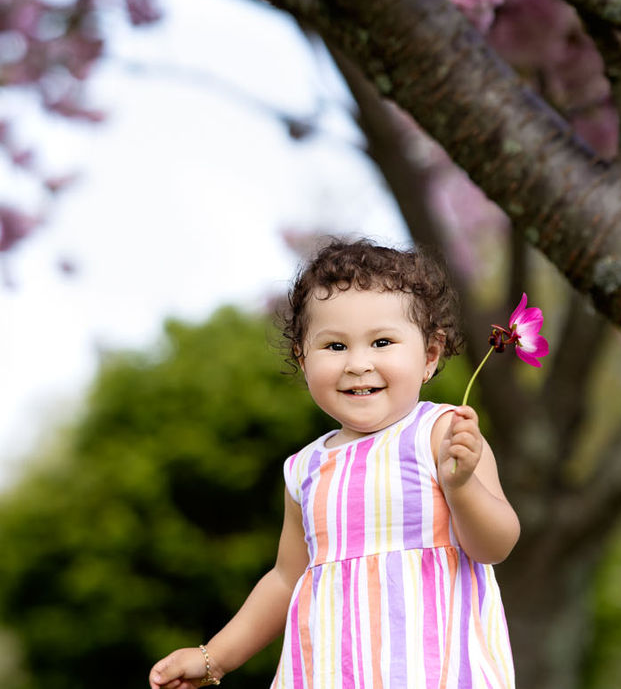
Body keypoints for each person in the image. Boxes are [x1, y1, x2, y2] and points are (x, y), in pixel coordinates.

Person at [148, 239, 520, 689]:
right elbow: (287, 578)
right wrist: (214, 658)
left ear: (429, 354)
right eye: (335, 346)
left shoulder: (441, 433)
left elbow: (495, 545)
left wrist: (462, 488)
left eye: (382, 342)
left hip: (431, 670)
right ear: (303, 360)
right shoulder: (304, 469)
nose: (358, 364)